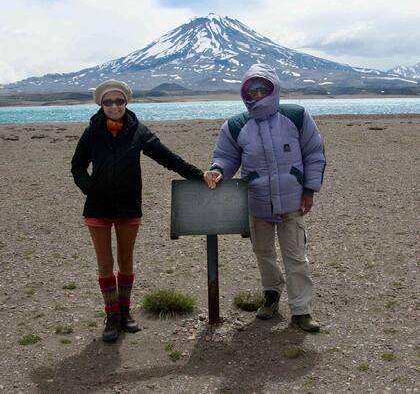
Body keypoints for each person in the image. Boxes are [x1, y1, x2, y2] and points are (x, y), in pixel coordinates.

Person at [71, 79, 204, 342]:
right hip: (98, 207)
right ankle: (111, 316)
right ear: (101, 105)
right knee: (105, 263)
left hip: (128, 205)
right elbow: (77, 166)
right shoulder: (92, 131)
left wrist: (198, 175)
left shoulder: (138, 130)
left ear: (126, 102)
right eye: (108, 102)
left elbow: (167, 157)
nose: (114, 106)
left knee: (126, 260)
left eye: (119, 101)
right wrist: (90, 188)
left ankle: (125, 313)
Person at [204, 64, 326, 332]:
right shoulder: (235, 125)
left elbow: (314, 153)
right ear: (244, 93)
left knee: (295, 256)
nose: (257, 94)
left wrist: (309, 190)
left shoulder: (296, 116)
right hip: (257, 202)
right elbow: (226, 157)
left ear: (274, 88)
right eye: (252, 90)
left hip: (292, 202)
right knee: (263, 253)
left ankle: (302, 309)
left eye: (263, 88)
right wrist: (217, 170)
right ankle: (272, 294)